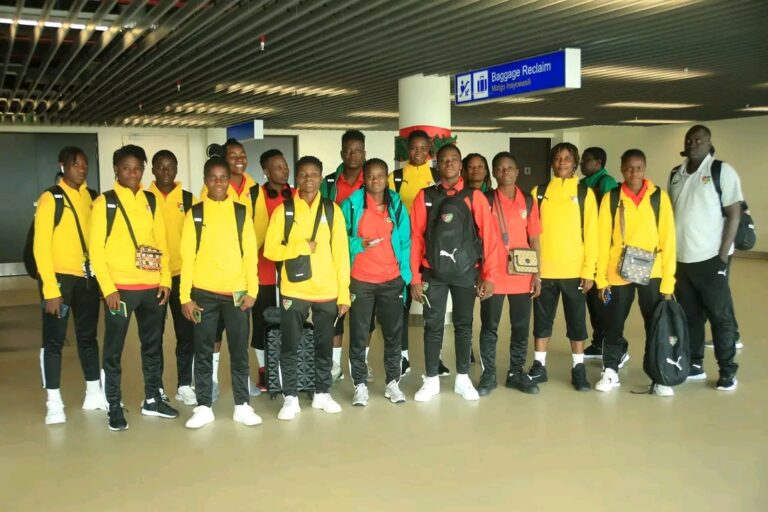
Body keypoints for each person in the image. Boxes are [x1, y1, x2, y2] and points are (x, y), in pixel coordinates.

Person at [89, 144, 178, 431]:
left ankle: (152, 398)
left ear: (143, 170)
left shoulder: (150, 200)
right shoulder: (105, 203)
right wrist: (108, 289)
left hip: (152, 289)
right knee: (113, 350)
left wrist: (166, 280)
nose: (132, 173)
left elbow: (162, 243)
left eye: (137, 168)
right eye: (126, 168)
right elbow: (96, 251)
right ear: (116, 169)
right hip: (120, 290)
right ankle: (113, 405)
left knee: (153, 347)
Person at [410, 144, 499, 402]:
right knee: (432, 326)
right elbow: (416, 239)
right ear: (436, 164)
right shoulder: (425, 197)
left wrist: (489, 275)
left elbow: (489, 237)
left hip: (465, 273)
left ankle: (462, 378)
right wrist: (415, 278)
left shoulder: (474, 197)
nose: (449, 163)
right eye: (444, 160)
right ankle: (431, 380)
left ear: (461, 165)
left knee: (463, 325)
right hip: (432, 273)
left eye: (454, 159)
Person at [264, 156, 350, 420]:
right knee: (290, 345)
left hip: (327, 291)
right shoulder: (285, 211)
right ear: (297, 178)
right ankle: (290, 398)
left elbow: (342, 255)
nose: (309, 179)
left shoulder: (332, 211)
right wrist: (301, 247)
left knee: (324, 345)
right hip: (294, 290)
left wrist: (343, 294)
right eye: (303, 174)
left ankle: (322, 393)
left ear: (321, 178)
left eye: (314, 174)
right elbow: (270, 250)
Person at [180, 152, 262, 428]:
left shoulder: (240, 212)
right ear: (205, 181)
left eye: (223, 178)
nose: (218, 182)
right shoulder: (195, 214)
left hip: (237, 295)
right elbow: (187, 258)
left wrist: (252, 291)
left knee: (239, 352)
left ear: (229, 180)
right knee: (203, 351)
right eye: (213, 178)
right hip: (203, 294)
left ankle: (242, 405)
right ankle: (204, 406)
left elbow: (250, 255)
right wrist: (185, 297)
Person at [594, 149, 677, 395]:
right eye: (629, 168)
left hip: (653, 272)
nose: (634, 173)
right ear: (622, 169)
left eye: (639, 168)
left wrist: (668, 282)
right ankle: (610, 370)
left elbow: (669, 240)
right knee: (613, 324)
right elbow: (601, 241)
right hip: (617, 273)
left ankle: (659, 375)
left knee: (655, 324)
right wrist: (601, 279)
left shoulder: (659, 198)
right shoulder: (612, 198)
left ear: (645, 168)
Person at [34, 147, 106, 424]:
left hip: (86, 280)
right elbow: (41, 248)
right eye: (76, 164)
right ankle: (54, 402)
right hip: (59, 282)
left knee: (88, 338)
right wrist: (50, 290)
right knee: (53, 342)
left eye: (85, 165)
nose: (81, 169)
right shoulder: (51, 198)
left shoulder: (91, 197)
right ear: (62, 166)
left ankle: (93, 394)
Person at [668, 125, 740, 391]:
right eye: (689, 139)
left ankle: (727, 370)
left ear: (709, 143)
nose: (693, 143)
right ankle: (694, 364)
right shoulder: (675, 173)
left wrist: (722, 255)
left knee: (720, 317)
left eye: (699, 140)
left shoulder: (721, 171)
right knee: (690, 317)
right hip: (681, 261)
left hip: (710, 260)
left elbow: (734, 214)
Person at [340, 158, 411, 406]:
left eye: (380, 175)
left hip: (391, 280)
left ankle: (393, 383)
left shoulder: (397, 205)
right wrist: (358, 243)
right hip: (361, 281)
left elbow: (406, 241)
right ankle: (360, 385)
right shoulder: (351, 205)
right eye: (371, 175)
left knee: (393, 334)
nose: (376, 180)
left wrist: (405, 277)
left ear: (387, 178)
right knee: (359, 334)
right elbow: (338, 239)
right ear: (364, 178)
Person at [529, 142, 598, 392]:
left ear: (575, 162)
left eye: (567, 158)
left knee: (577, 322)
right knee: (542, 322)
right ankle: (539, 365)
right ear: (551, 163)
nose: (562, 163)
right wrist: (534, 270)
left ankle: (578, 368)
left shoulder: (584, 193)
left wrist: (589, 271)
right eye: (557, 158)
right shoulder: (539, 192)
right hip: (545, 271)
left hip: (574, 272)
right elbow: (531, 233)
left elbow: (592, 235)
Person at [478, 152, 542, 396]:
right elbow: (477, 238)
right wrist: (480, 274)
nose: (505, 172)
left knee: (521, 327)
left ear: (517, 171)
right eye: (500, 168)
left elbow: (534, 239)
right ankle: (488, 375)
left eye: (510, 168)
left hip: (522, 274)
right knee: (489, 327)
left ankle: (516, 373)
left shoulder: (528, 201)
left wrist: (537, 275)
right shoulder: (486, 200)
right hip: (492, 275)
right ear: (494, 173)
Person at [387, 130, 448, 378]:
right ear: (407, 149)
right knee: (401, 307)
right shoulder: (396, 178)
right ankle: (403, 357)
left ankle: (437, 358)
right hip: (403, 251)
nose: (418, 152)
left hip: (431, 250)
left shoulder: (437, 176)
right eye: (414, 148)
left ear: (429, 150)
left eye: (423, 148)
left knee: (434, 308)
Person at [200, 138, 257, 400]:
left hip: (239, 277)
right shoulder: (210, 192)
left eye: (242, 154)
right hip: (212, 282)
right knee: (213, 335)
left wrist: (246, 261)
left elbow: (259, 227)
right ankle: (210, 381)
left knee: (239, 338)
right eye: (232, 155)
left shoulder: (253, 188)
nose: (239, 160)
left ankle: (242, 383)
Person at [319, 129, 371, 382]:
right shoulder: (328, 183)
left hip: (365, 258)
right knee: (335, 314)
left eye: (358, 150)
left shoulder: (372, 180)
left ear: (364, 153)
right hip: (334, 259)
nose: (353, 155)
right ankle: (334, 366)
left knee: (364, 317)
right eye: (348, 150)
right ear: (341, 153)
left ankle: (362, 364)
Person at [148, 149, 197, 406]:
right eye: (160, 166)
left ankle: (184, 385)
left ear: (177, 169)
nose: (165, 171)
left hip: (182, 276)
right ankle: (156, 386)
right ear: (153, 170)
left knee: (186, 334)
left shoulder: (188, 200)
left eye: (170, 166)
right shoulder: (144, 199)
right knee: (154, 335)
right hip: (153, 277)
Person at [251, 149, 294, 391]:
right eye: (277, 167)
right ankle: (264, 370)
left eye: (285, 166)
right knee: (261, 323)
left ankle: (290, 368)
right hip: (263, 273)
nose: (284, 170)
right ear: (266, 172)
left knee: (290, 322)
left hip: (291, 274)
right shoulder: (256, 197)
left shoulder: (296, 195)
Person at [579, 147, 623, 361]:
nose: (581, 164)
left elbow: (612, 217)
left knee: (603, 302)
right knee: (593, 303)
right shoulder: (582, 184)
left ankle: (618, 347)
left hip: (602, 251)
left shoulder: (606, 182)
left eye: (586, 160)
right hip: (586, 250)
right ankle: (599, 342)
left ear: (598, 163)